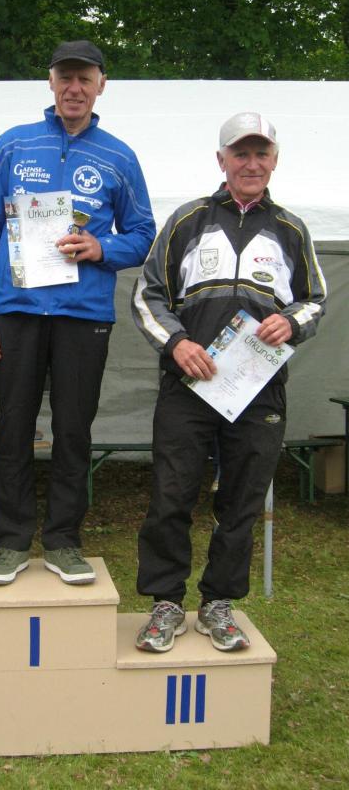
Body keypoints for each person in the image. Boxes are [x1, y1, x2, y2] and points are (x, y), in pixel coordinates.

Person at [131, 111, 326, 652]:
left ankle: (219, 603)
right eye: (241, 153)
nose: (251, 163)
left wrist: (292, 322)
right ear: (222, 160)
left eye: (261, 153)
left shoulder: (291, 229)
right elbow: (147, 295)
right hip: (189, 385)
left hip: (259, 389)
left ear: (274, 161)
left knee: (241, 501)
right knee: (171, 495)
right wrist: (176, 342)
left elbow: (315, 300)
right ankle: (165, 603)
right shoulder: (187, 220)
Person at [0, 40, 155, 586]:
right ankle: (10, 543)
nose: (74, 88)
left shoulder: (119, 156)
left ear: (101, 85)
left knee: (74, 429)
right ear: (50, 82)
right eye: (65, 77)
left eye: (85, 78)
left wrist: (102, 248)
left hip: (83, 314)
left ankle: (64, 541)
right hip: (18, 311)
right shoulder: (13, 143)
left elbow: (143, 233)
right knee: (13, 427)